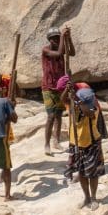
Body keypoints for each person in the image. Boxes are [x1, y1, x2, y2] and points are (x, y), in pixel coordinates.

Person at [66, 86, 105, 209]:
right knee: (81, 172)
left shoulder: (93, 108)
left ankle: (93, 198)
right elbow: (64, 101)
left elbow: (88, 112)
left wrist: (77, 100)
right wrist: (66, 92)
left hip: (91, 144)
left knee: (93, 174)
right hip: (77, 144)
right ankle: (86, 197)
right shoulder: (74, 107)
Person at [42, 26, 74, 155]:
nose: (55, 41)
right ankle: (46, 144)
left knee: (59, 115)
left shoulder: (61, 47)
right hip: (48, 87)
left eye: (57, 38)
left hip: (61, 87)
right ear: (50, 40)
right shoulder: (46, 50)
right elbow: (60, 53)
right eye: (53, 39)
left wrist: (69, 38)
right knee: (51, 116)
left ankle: (56, 140)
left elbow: (72, 53)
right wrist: (62, 37)